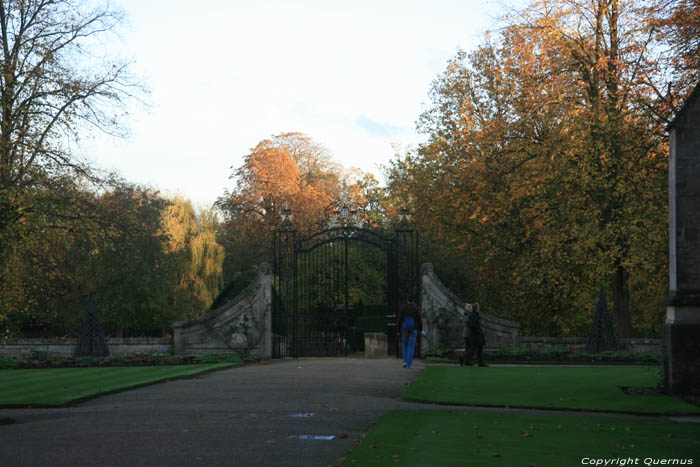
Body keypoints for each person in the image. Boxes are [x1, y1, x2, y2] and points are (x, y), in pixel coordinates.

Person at [460, 302, 487, 367]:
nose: (479, 308)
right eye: (478, 307)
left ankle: (480, 363)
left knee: (478, 348)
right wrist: (478, 331)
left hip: (475, 334)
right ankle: (463, 358)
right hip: (475, 334)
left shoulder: (474, 314)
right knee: (474, 348)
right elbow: (472, 325)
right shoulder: (473, 315)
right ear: (476, 308)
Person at [397, 294, 421, 369]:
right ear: (413, 300)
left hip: (404, 330)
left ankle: (404, 361)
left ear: (407, 300)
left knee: (405, 346)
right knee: (411, 347)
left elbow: (399, 319)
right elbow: (420, 320)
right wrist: (420, 329)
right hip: (413, 330)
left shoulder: (403, 308)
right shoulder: (416, 308)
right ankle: (409, 364)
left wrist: (398, 330)